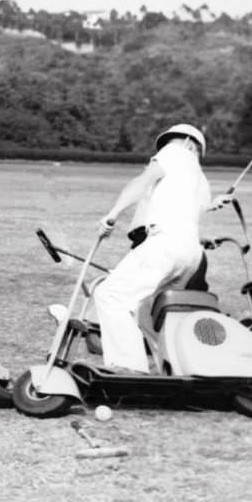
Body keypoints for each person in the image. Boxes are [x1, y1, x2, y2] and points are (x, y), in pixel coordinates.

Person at [92, 124, 231, 373]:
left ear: (188, 142)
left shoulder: (174, 152)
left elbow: (142, 181)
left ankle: (128, 369)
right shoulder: (200, 178)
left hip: (164, 244)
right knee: (150, 313)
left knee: (109, 295)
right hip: (191, 254)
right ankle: (177, 368)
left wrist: (111, 216)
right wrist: (212, 207)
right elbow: (185, 212)